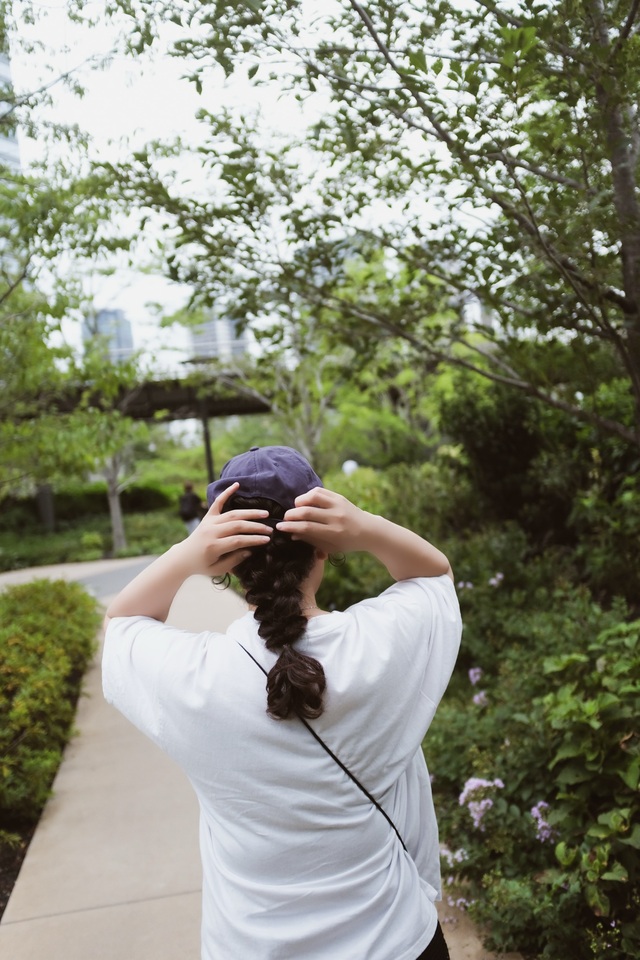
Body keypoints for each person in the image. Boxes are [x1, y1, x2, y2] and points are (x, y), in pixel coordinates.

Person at [102, 445, 462, 960]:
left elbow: (122, 627)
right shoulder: (377, 645)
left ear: (226, 562)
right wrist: (365, 527)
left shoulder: (194, 677)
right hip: (394, 939)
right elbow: (433, 577)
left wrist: (186, 554)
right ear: (323, 545)